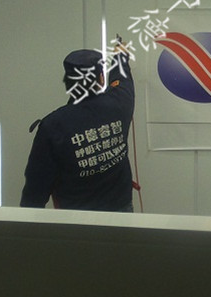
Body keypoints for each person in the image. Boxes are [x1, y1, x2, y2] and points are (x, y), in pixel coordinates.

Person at [20, 43, 135, 212]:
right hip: (121, 213)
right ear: (101, 79)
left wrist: (28, 225)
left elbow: (34, 194)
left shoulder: (53, 126)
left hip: (75, 221)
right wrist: (120, 56)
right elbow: (122, 80)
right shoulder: (119, 103)